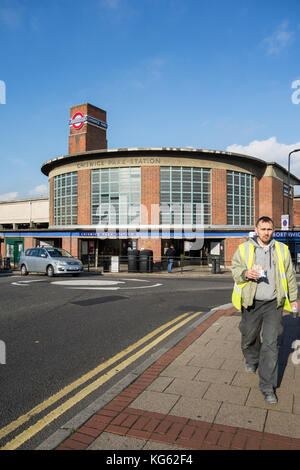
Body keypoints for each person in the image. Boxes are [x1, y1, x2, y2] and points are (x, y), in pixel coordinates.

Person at [231, 216, 298, 404]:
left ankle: (267, 387)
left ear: (273, 230)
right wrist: (245, 273)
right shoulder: (244, 248)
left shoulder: (282, 250)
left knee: (270, 344)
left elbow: (290, 276)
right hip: (251, 303)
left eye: (269, 229)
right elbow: (235, 269)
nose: (266, 232)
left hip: (273, 304)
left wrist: (293, 299)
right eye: (263, 229)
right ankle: (252, 358)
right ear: (256, 229)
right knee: (249, 337)